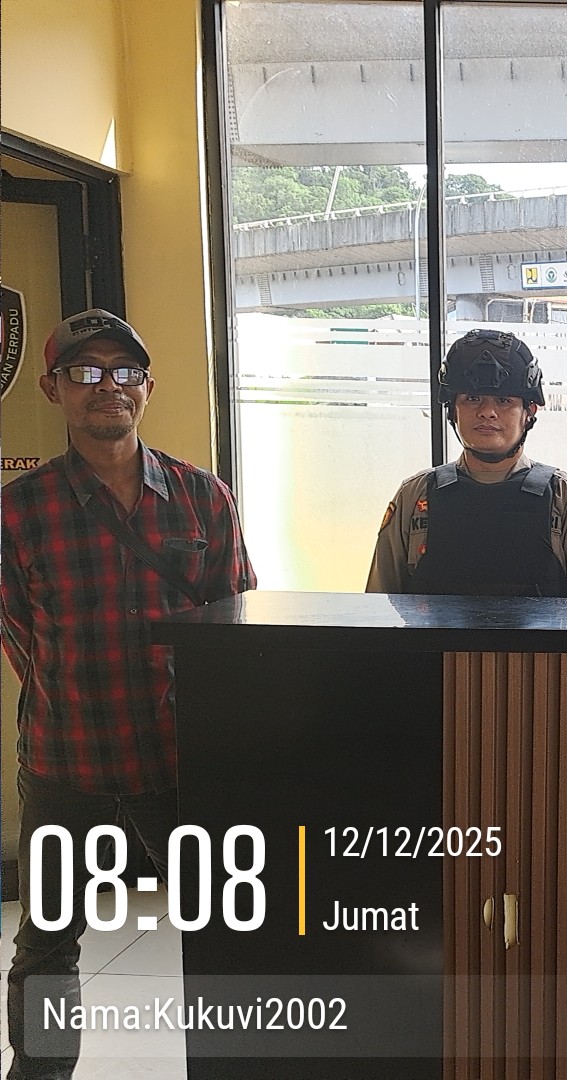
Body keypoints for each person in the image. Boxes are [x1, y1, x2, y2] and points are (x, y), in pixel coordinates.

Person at [2, 309, 256, 1079]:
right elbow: (18, 633)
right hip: (66, 762)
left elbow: (236, 622)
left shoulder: (202, 497)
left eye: (124, 371)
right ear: (53, 388)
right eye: (85, 372)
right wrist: (70, 694)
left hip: (181, 761)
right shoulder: (17, 511)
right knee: (46, 942)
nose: (107, 386)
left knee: (227, 933)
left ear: (146, 386)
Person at [367, 328, 567, 597]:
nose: (487, 412)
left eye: (503, 400)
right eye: (472, 399)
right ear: (452, 410)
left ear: (529, 412)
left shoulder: (564, 497)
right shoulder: (414, 497)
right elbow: (379, 607)